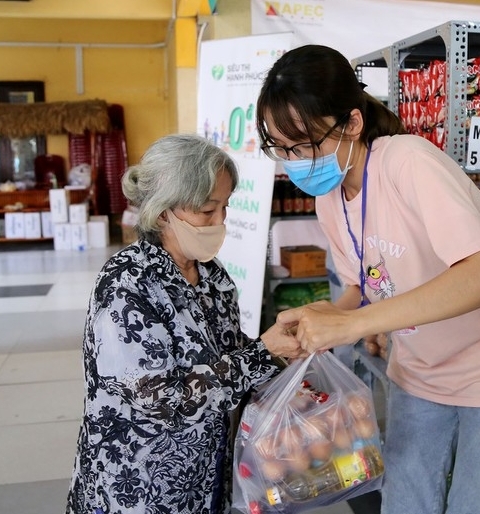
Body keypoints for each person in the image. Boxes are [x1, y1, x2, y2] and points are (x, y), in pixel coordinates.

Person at [256, 45, 480, 514]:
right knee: (405, 500)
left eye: (305, 144)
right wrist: (325, 316)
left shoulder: (407, 163)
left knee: (477, 504)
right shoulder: (330, 199)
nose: (293, 162)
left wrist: (355, 325)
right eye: (282, 148)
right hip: (417, 371)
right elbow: (360, 284)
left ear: (352, 123)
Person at [66, 134, 305, 514]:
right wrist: (262, 355)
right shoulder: (127, 285)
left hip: (205, 476)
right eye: (206, 211)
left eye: (225, 207)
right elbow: (159, 397)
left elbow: (222, 351)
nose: (220, 221)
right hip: (140, 485)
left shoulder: (209, 273)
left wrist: (281, 357)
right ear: (163, 213)